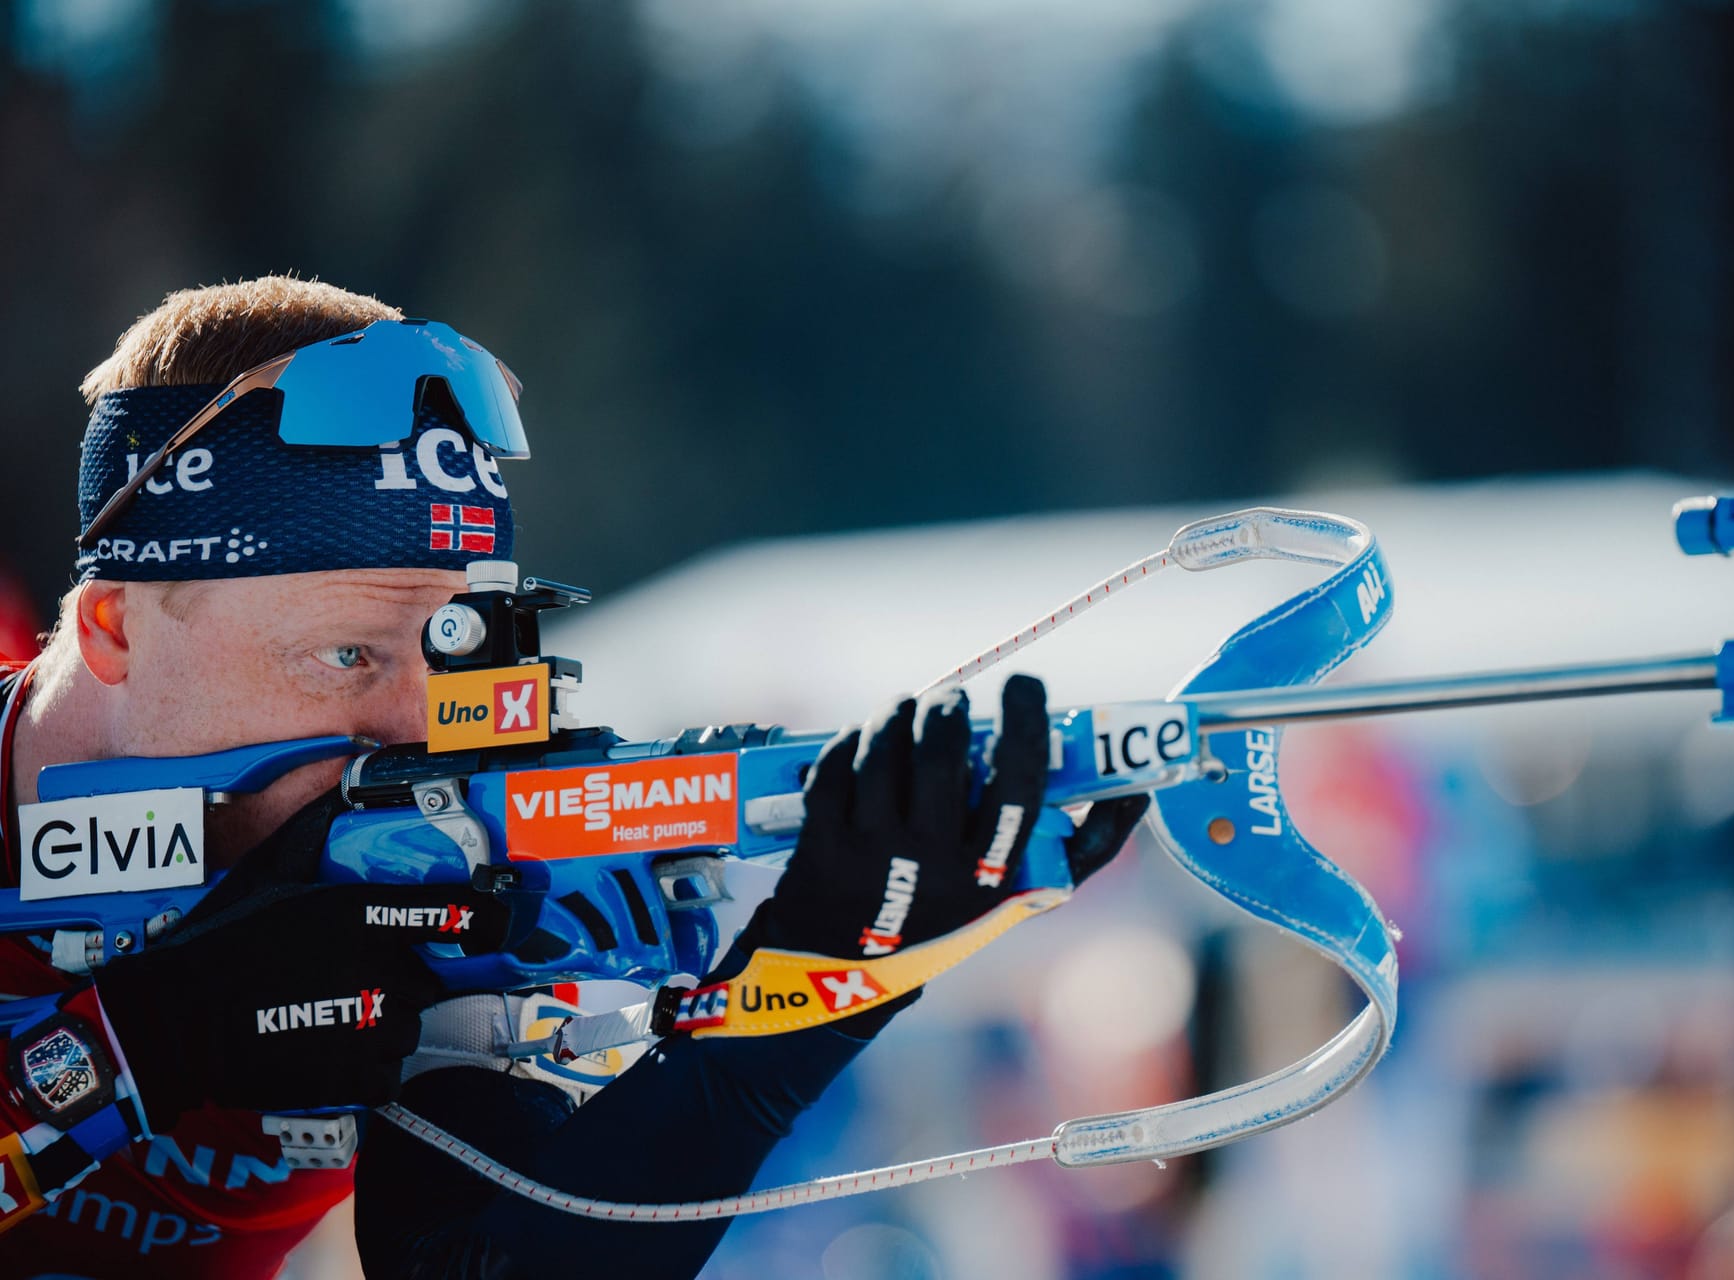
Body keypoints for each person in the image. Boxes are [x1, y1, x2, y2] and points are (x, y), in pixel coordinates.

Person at [0, 277, 1145, 1279]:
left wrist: (813, 986)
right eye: (346, 656)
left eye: (452, 652)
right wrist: (134, 1044)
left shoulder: (411, 866)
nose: (415, 727)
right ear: (118, 629)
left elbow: (484, 1264)